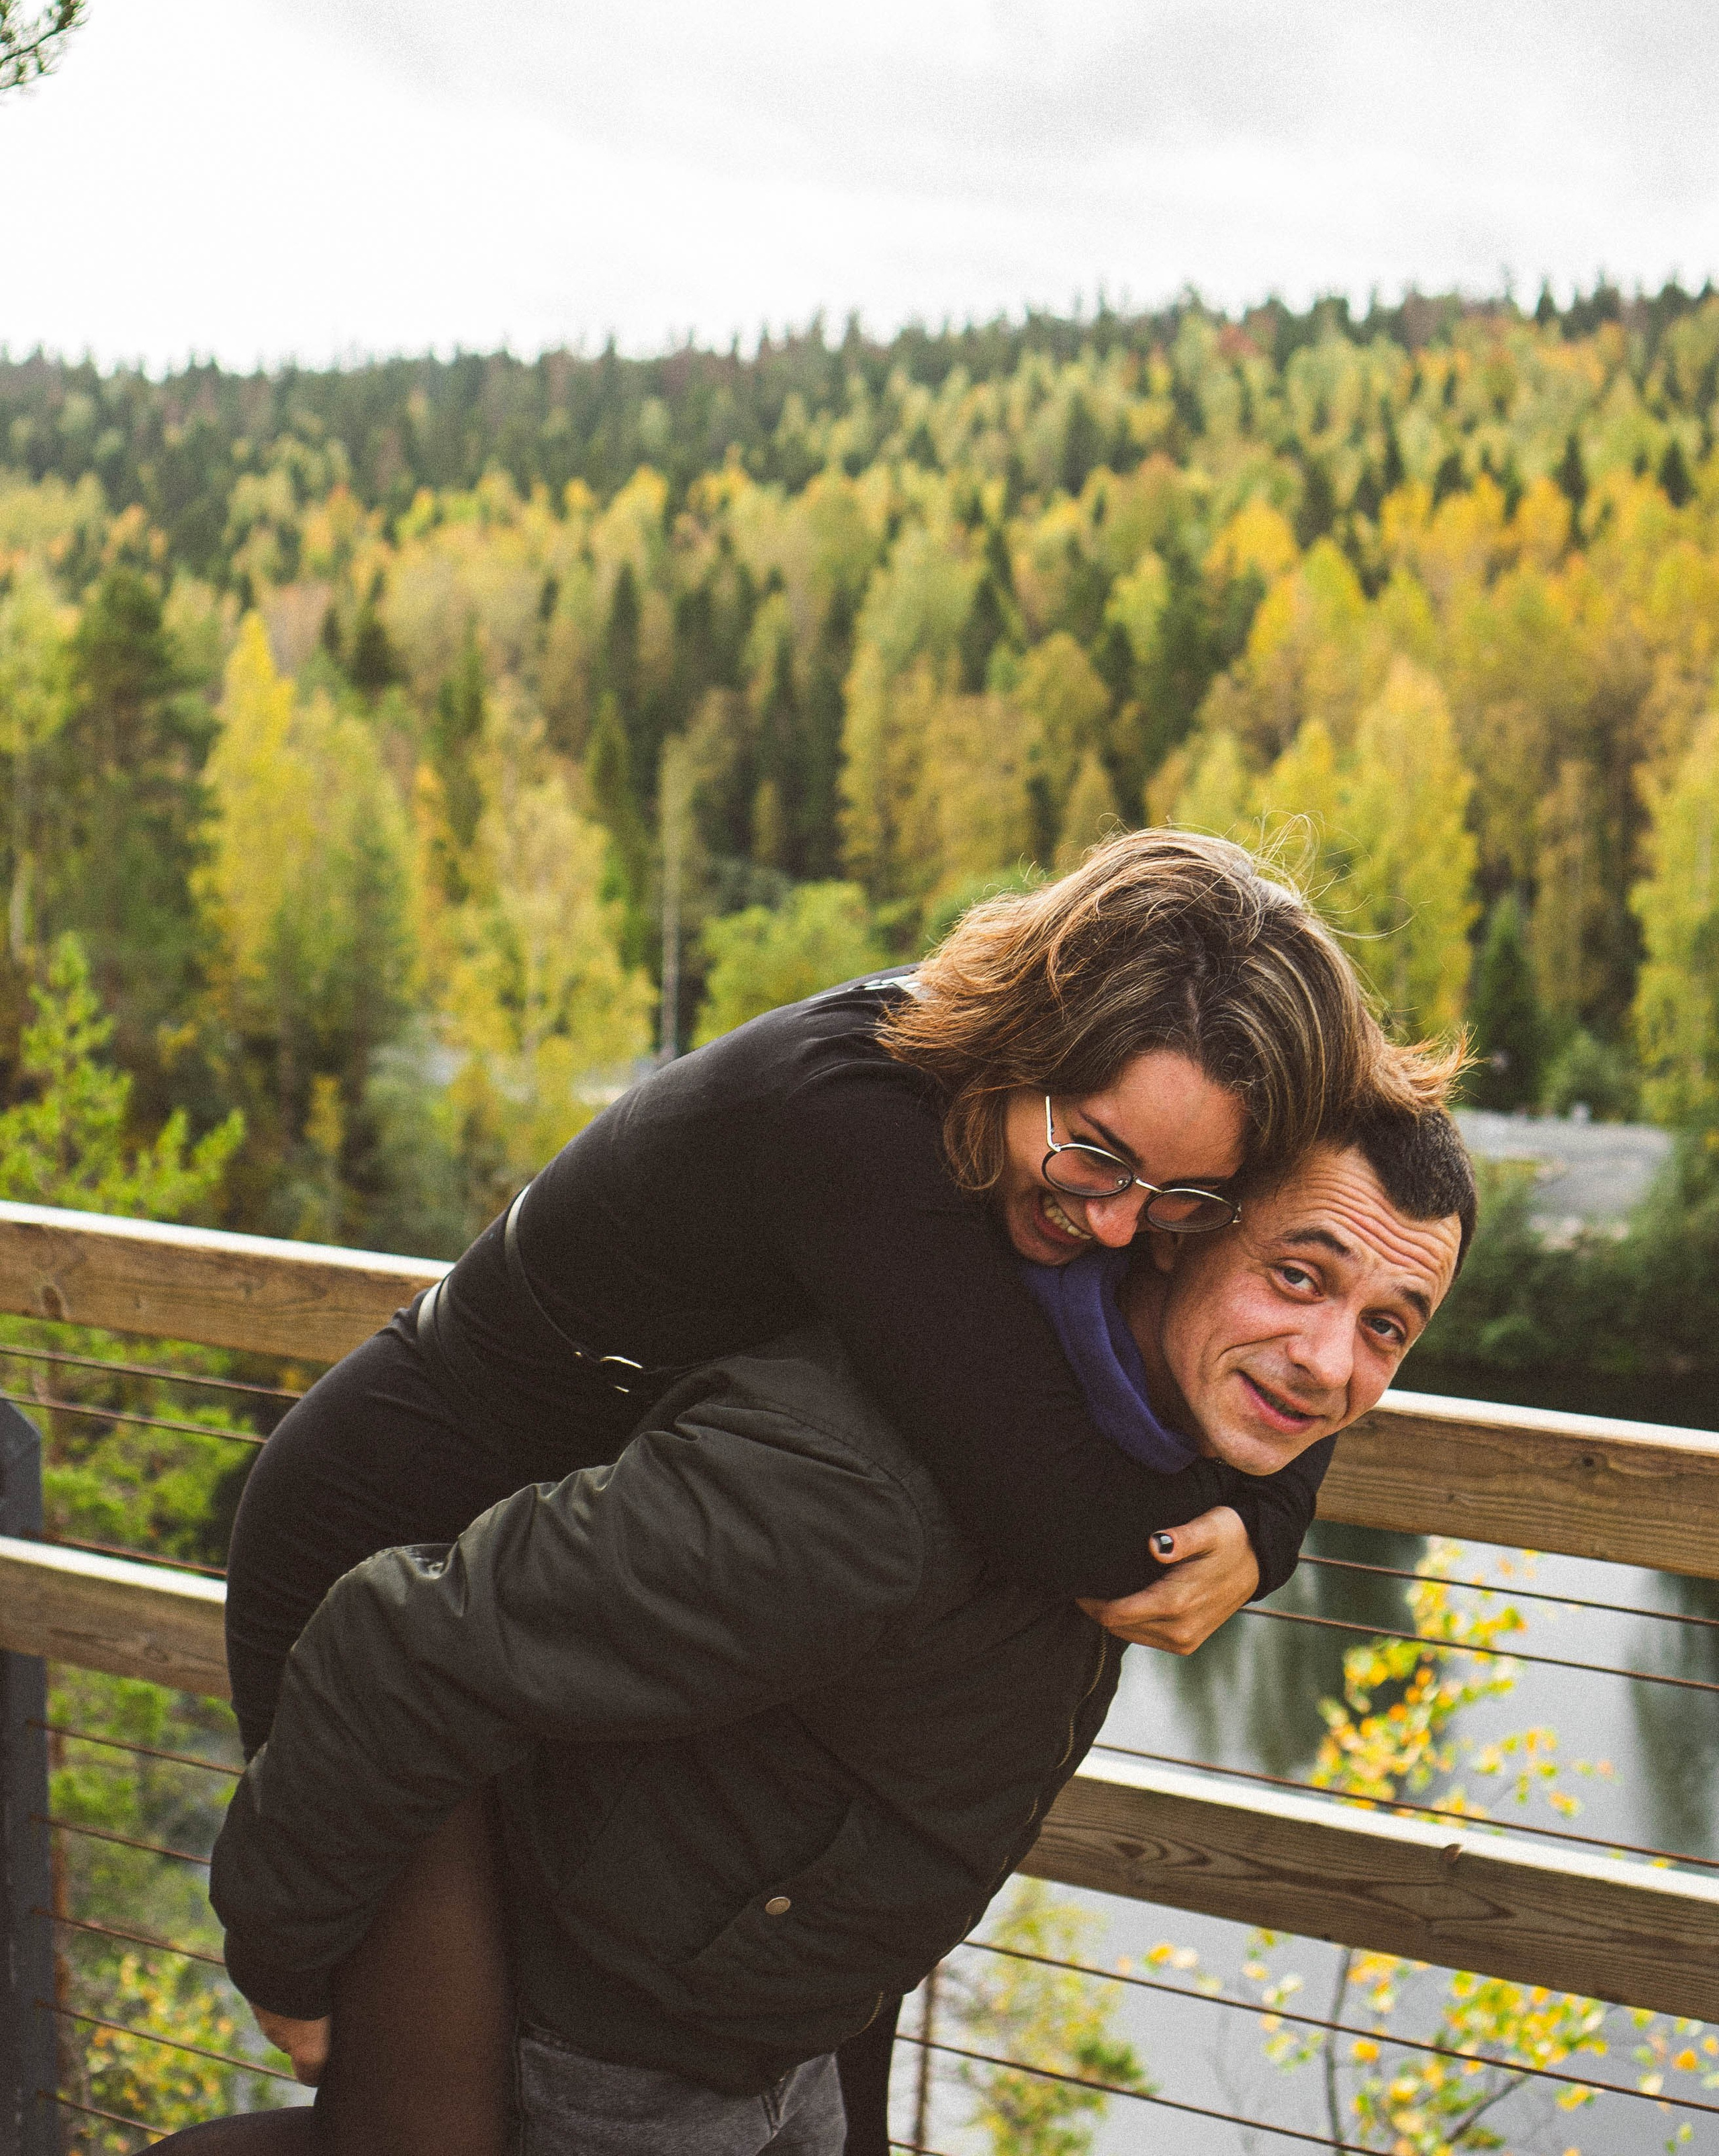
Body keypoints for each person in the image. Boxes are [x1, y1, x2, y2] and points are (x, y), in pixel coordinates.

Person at [216, 830, 1458, 2152]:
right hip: (398, 1513)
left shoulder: (1056, 1169)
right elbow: (1080, 1526)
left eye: (1179, 1200)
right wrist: (1255, 1526)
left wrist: (1271, 1496)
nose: (1112, 1225)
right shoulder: (852, 1126)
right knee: (423, 2117)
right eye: (1096, 1159)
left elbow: (1334, 1249)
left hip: (583, 1567)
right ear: (1023, 1039)